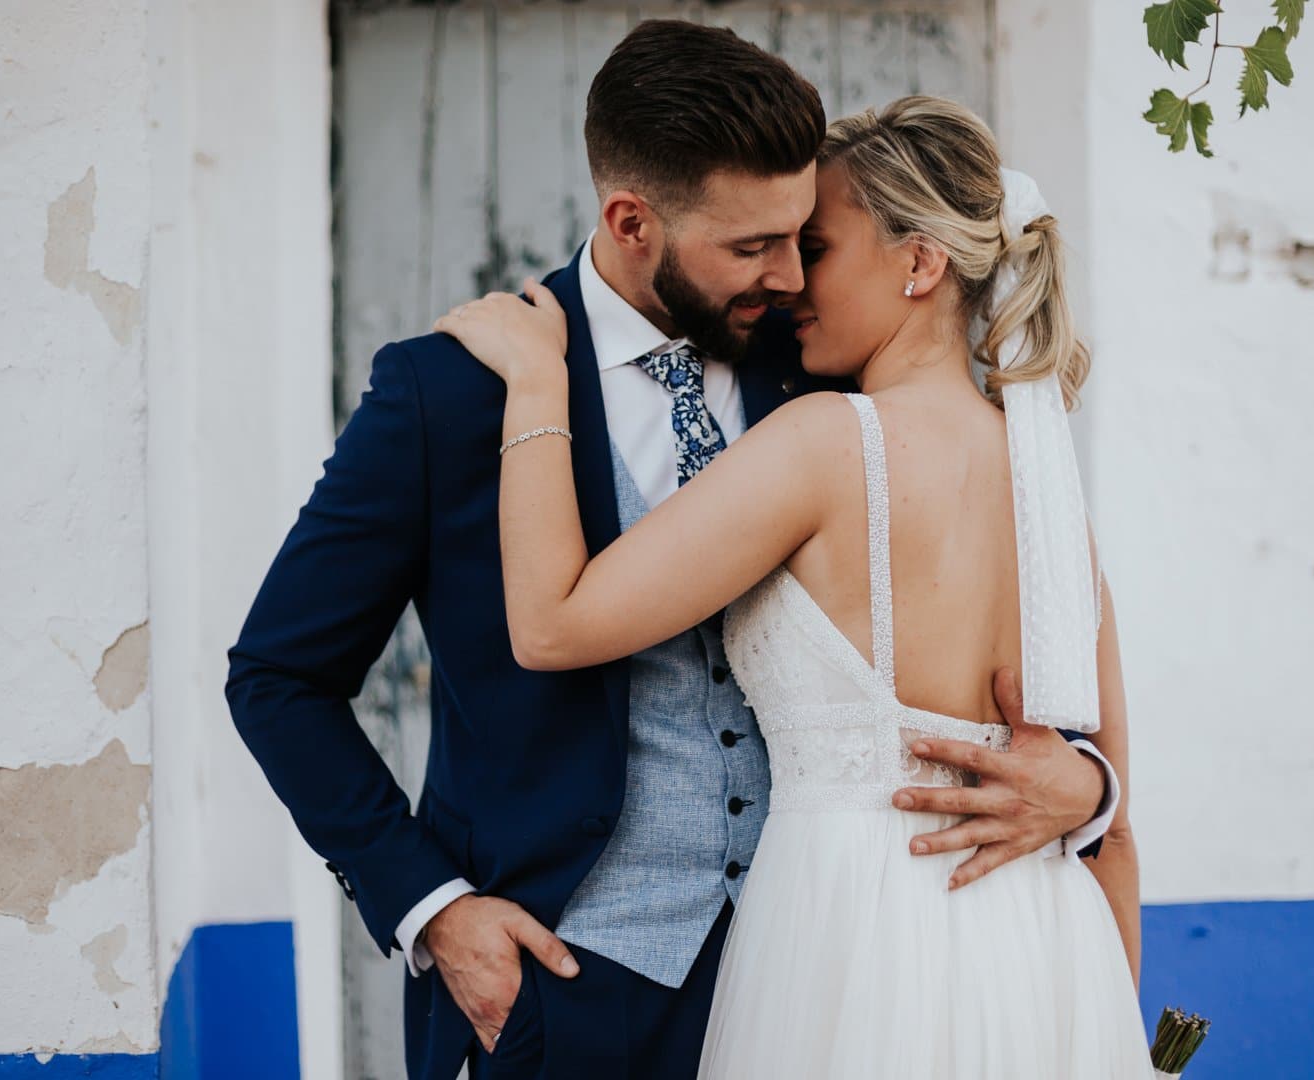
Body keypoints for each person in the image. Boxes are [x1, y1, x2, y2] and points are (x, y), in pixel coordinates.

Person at [227, 22, 1119, 1080]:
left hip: (819, 980)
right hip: (562, 981)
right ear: (632, 220)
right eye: (752, 247)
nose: (788, 276)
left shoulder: (828, 367)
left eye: (801, 237)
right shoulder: (451, 389)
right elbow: (278, 677)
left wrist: (1087, 786)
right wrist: (434, 910)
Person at [437, 93, 1150, 1077]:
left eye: (819, 246)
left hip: (857, 942)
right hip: (1045, 958)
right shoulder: (1051, 495)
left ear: (919, 262)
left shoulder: (826, 445)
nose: (789, 280)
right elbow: (1111, 828)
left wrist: (534, 379)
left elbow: (554, 624)